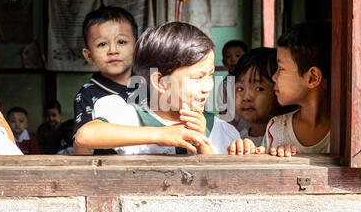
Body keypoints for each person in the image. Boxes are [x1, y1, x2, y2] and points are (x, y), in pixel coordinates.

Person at [75, 21, 240, 155]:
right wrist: (162, 134)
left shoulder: (219, 129)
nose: (207, 87)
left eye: (210, 75)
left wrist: (203, 143)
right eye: (197, 77)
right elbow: (85, 136)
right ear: (160, 82)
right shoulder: (129, 117)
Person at [229, 20, 331, 157]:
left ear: (312, 78)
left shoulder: (347, 133)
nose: (274, 77)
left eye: (281, 69)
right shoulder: (276, 128)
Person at [72, 6, 138, 155]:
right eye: (102, 44)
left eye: (121, 42)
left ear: (137, 47)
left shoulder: (151, 84)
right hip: (110, 174)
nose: (113, 50)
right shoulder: (86, 95)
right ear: (89, 55)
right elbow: (82, 148)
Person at [229, 48, 284, 150]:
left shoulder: (285, 140)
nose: (246, 97)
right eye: (240, 88)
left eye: (259, 89)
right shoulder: (237, 138)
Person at [216, 40, 249, 132]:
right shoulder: (224, 85)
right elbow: (222, 111)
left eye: (238, 55)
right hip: (231, 128)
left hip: (252, 127)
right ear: (224, 61)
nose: (233, 59)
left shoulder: (253, 82)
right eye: (228, 57)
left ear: (246, 58)